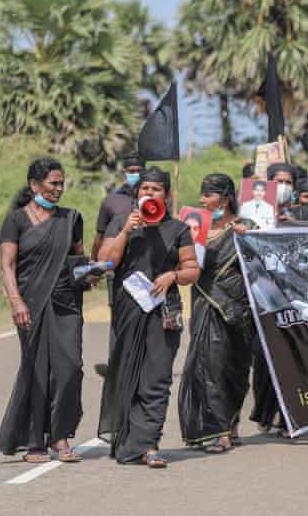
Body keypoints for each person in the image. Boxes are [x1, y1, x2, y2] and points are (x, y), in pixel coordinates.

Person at [97, 167, 200, 468]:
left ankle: (150, 445)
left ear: (167, 195)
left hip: (162, 312)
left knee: (156, 378)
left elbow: (193, 269)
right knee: (127, 373)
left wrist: (172, 275)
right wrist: (127, 231)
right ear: (136, 193)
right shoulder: (121, 222)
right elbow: (106, 261)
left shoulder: (178, 228)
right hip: (128, 311)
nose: (149, 194)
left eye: (156, 190)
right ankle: (129, 443)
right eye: (144, 189)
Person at [0, 158, 93, 463]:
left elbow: (78, 263)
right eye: (53, 183)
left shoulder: (71, 219)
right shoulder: (16, 221)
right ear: (34, 185)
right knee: (37, 370)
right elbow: (7, 265)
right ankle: (37, 440)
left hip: (67, 304)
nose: (59, 189)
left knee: (70, 369)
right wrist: (16, 301)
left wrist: (92, 272)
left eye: (62, 183)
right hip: (31, 305)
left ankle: (60, 433)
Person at [178, 174, 257, 454]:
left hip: (238, 310)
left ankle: (231, 423)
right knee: (207, 366)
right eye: (202, 194)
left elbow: (264, 261)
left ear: (224, 198)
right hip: (205, 305)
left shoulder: (246, 227)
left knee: (234, 369)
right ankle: (217, 431)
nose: (202, 200)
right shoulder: (193, 229)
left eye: (208, 195)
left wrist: (249, 240)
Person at [92, 154, 145, 377]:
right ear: (124, 174)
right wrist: (95, 266)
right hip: (117, 266)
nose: (135, 174)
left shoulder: (157, 196)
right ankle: (117, 367)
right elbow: (99, 237)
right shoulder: (111, 201)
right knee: (118, 314)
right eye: (130, 170)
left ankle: (141, 365)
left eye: (138, 169)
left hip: (144, 266)